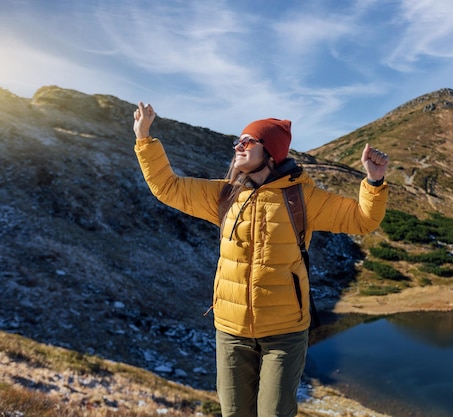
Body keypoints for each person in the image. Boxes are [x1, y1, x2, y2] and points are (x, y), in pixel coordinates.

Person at [132, 102, 389, 417]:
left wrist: (374, 182)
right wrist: (144, 138)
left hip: (285, 333)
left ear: (271, 153)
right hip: (231, 329)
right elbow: (167, 187)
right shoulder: (224, 196)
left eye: (247, 141)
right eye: (237, 141)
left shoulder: (302, 198)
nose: (237, 147)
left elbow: (362, 220)